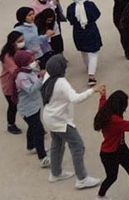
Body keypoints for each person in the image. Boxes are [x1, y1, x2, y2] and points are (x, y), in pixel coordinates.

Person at [41, 55, 101, 188]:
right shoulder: (61, 82)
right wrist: (92, 90)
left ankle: (55, 173)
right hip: (60, 120)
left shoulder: (47, 78)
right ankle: (82, 178)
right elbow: (75, 99)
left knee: (57, 144)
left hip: (49, 118)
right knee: (78, 146)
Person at [66, 0, 103, 86]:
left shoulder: (71, 8)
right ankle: (91, 75)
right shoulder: (90, 5)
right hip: (91, 30)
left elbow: (69, 19)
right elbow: (97, 14)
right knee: (93, 52)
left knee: (84, 51)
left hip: (78, 32)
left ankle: (88, 67)